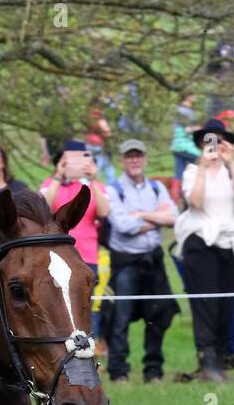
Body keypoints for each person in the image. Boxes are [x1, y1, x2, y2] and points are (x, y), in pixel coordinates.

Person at [175, 117, 234, 382]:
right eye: (208, 140)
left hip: (229, 243)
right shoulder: (190, 170)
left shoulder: (231, 171)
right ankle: (207, 359)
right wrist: (202, 168)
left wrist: (230, 162)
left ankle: (221, 357)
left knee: (226, 301)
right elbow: (195, 202)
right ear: (200, 144)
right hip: (200, 243)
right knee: (205, 301)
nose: (214, 145)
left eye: (218, 139)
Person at [103, 140, 179, 383]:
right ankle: (118, 371)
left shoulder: (157, 188)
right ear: (122, 161)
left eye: (138, 156)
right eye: (129, 156)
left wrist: (143, 216)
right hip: (125, 262)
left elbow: (175, 218)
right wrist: (158, 218)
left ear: (145, 159)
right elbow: (123, 226)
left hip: (153, 261)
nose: (134, 160)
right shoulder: (113, 190)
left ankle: (153, 370)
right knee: (120, 318)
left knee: (159, 315)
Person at [40, 141, 110, 335]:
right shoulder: (50, 184)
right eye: (69, 158)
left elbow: (104, 211)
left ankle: (91, 355)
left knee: (87, 309)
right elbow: (43, 208)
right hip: (55, 258)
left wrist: (93, 179)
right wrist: (58, 176)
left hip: (87, 257)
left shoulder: (96, 187)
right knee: (57, 309)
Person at [171, 95, 200, 182]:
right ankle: (192, 190)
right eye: (193, 94)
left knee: (179, 172)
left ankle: (176, 194)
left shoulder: (178, 109)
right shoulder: (185, 111)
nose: (195, 96)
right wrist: (199, 129)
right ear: (187, 96)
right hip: (185, 146)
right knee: (194, 168)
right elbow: (187, 129)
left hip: (177, 146)